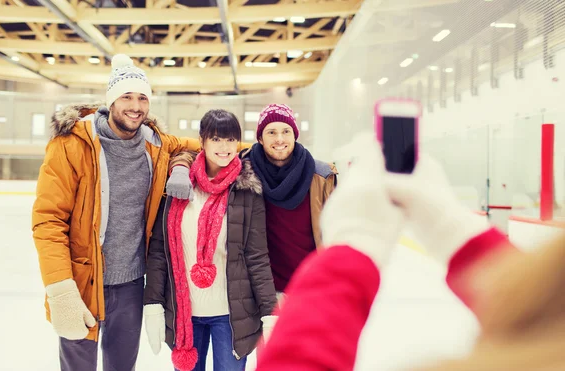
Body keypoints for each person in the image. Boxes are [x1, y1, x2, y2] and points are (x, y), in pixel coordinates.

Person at [255, 133, 534, 371]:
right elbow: (547, 314)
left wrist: (350, 249)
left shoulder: (320, 174)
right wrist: (459, 234)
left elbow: (299, 360)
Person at [31, 54, 202, 371]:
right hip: (81, 281)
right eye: (127, 96)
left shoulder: (156, 144)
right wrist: (60, 288)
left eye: (142, 98)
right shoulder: (72, 145)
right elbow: (48, 221)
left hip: (131, 284)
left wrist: (180, 165)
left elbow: (213, 146)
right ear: (111, 100)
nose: (136, 106)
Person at [143, 109, 278, 371]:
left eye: (230, 140)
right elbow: (160, 252)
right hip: (184, 312)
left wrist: (269, 312)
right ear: (202, 141)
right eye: (216, 139)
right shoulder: (178, 186)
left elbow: (257, 256)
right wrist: (153, 304)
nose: (225, 147)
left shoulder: (247, 190)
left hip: (231, 315)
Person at [170, 103, 337, 308]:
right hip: (261, 293)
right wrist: (180, 166)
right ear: (259, 138)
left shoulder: (321, 176)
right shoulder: (243, 168)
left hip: (311, 287)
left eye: (286, 131)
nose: (279, 139)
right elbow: (202, 155)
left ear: (295, 135)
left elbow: (337, 235)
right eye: (271, 132)